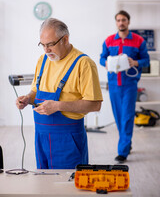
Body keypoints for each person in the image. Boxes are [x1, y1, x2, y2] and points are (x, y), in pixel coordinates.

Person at [16, 18, 103, 169]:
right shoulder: (42, 60)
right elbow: (36, 90)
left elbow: (95, 105)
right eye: (42, 45)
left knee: (67, 186)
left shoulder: (84, 64)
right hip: (41, 136)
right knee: (44, 183)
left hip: (68, 139)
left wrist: (58, 106)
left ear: (65, 39)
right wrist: (27, 98)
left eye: (50, 44)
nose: (46, 50)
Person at [100, 10, 150, 163]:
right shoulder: (109, 41)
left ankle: (122, 151)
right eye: (118, 20)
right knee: (119, 117)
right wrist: (106, 63)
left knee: (127, 117)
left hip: (129, 85)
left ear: (128, 22)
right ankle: (127, 143)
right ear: (116, 22)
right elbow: (102, 58)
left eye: (124, 20)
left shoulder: (138, 40)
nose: (121, 22)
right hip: (114, 85)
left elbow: (146, 60)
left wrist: (135, 62)